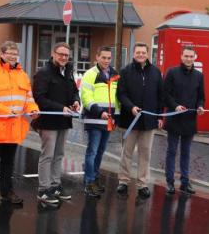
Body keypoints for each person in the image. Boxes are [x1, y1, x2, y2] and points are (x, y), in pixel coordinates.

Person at [0, 41, 40, 209]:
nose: (12, 56)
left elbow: (28, 98)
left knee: (8, 162)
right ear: (2, 54)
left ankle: (7, 192)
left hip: (13, 128)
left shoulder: (22, 75)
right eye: (9, 53)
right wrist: (5, 111)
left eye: (15, 54)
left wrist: (33, 109)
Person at [32, 42, 80, 206]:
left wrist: (75, 101)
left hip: (64, 121)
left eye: (66, 55)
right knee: (48, 155)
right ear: (53, 54)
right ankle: (43, 189)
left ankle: (55, 185)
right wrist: (61, 108)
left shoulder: (68, 72)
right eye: (60, 54)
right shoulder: (43, 73)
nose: (63, 57)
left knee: (59, 155)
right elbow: (39, 98)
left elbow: (74, 91)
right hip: (48, 121)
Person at [116, 42, 164, 199]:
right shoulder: (125, 72)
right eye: (138, 52)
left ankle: (142, 184)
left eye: (143, 52)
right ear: (133, 53)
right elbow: (121, 94)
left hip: (149, 121)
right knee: (127, 152)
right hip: (130, 119)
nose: (141, 55)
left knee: (145, 153)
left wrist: (159, 117)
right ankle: (123, 181)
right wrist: (131, 107)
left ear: (148, 54)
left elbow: (160, 97)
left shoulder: (156, 72)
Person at [162, 46, 204, 195]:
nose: (189, 59)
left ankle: (185, 182)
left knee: (186, 152)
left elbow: (201, 97)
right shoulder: (172, 72)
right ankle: (170, 182)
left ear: (195, 57)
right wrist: (175, 106)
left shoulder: (199, 75)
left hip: (190, 120)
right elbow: (165, 95)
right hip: (174, 119)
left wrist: (200, 106)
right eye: (186, 56)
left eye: (191, 56)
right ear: (181, 56)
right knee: (172, 151)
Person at [80, 46, 120, 197]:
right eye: (103, 57)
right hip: (94, 118)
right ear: (97, 57)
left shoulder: (115, 74)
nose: (106, 60)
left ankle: (95, 178)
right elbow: (86, 97)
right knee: (92, 151)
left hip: (108, 120)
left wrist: (116, 116)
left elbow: (117, 98)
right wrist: (99, 111)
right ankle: (89, 182)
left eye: (109, 58)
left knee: (100, 151)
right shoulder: (90, 74)